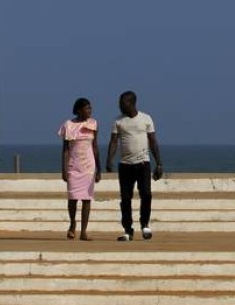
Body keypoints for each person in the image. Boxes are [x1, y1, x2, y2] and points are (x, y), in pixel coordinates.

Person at [106, 90, 163, 241]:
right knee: (125, 198)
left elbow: (153, 141)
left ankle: (145, 224)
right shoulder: (118, 121)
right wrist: (109, 159)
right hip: (125, 165)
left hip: (143, 163)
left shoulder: (146, 118)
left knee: (146, 194)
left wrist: (159, 163)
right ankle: (127, 230)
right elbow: (113, 142)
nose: (120, 106)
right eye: (119, 103)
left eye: (122, 103)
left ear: (131, 103)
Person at [58, 97, 100, 240]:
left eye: (90, 108)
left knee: (87, 199)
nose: (90, 111)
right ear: (79, 110)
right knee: (73, 198)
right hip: (73, 165)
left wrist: (99, 169)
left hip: (89, 165)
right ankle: (72, 224)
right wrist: (64, 169)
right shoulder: (68, 125)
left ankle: (83, 231)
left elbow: (95, 147)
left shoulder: (93, 124)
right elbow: (65, 149)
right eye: (87, 108)